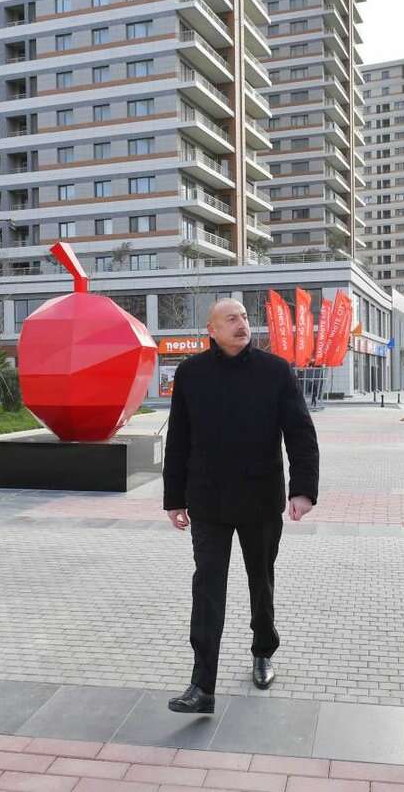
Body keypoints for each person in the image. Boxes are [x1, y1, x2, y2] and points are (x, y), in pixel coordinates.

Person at [163, 298, 319, 714]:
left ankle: (263, 650)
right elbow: (178, 439)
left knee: (260, 582)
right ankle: (202, 685)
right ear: (212, 330)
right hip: (208, 502)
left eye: (245, 318)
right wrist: (174, 498)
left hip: (260, 500)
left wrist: (302, 490)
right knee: (207, 589)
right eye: (231, 319)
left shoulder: (275, 371)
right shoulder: (191, 373)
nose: (242, 324)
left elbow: (300, 434)